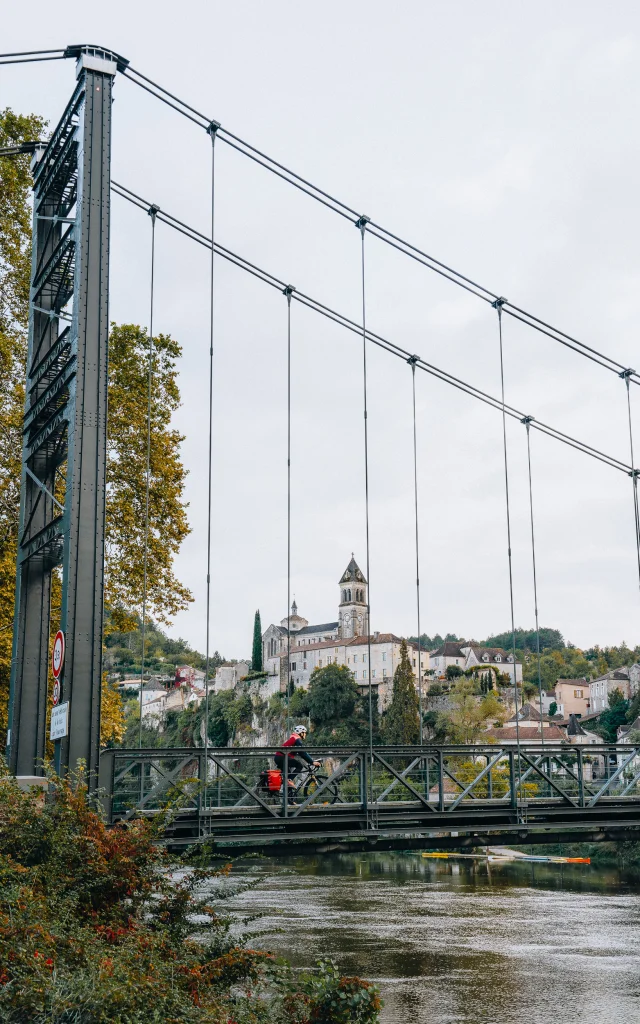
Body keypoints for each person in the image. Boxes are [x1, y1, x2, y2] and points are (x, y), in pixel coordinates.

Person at [274, 725, 320, 797]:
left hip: (280, 757)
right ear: (301, 733)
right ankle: (289, 780)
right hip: (282, 757)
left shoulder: (294, 738)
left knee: (288, 777)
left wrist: (310, 760)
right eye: (304, 733)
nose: (305, 734)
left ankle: (290, 798)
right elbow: (302, 753)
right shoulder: (297, 739)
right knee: (299, 766)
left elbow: (301, 753)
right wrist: (312, 762)